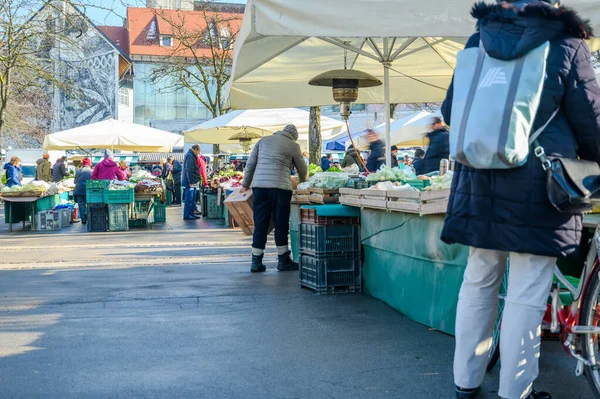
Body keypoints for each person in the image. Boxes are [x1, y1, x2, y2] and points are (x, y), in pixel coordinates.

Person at [441, 2, 600, 399]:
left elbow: (450, 109)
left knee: (479, 280)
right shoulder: (565, 43)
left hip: (478, 179)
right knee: (527, 291)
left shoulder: (480, 38)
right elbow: (590, 119)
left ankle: (466, 381)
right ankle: (516, 391)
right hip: (541, 187)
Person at [241, 124, 308, 273]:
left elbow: (250, 165)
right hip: (280, 189)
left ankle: (256, 261)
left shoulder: (263, 141)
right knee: (281, 223)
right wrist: (304, 183)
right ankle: (283, 259)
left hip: (260, 188)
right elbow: (302, 168)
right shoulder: (293, 145)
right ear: (293, 136)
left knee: (260, 223)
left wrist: (245, 184)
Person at [182, 145, 201, 220]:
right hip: (190, 182)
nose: (198, 153)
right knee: (189, 199)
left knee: (192, 199)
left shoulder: (191, 155)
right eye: (198, 151)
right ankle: (187, 214)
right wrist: (191, 181)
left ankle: (191, 213)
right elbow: (189, 170)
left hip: (192, 181)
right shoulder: (190, 156)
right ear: (195, 149)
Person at [74, 158, 93, 225]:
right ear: (89, 163)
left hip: (79, 190)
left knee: (81, 205)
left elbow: (75, 182)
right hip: (88, 190)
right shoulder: (91, 171)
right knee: (89, 204)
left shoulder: (78, 171)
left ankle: (83, 220)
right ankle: (89, 218)